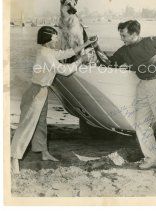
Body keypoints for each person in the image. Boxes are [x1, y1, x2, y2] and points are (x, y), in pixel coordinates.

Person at [96, 20, 156, 175]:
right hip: (143, 85)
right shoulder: (124, 50)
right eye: (121, 35)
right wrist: (96, 48)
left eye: (124, 35)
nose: (121, 38)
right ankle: (153, 157)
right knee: (141, 124)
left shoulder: (151, 41)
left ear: (134, 34)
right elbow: (110, 63)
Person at [11, 26, 95, 174]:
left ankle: (43, 152)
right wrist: (81, 60)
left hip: (42, 91)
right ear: (48, 38)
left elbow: (65, 53)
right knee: (26, 126)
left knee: (41, 124)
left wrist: (86, 43)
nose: (57, 39)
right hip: (35, 92)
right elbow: (65, 70)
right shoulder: (45, 55)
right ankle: (14, 159)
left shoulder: (47, 51)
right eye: (55, 37)